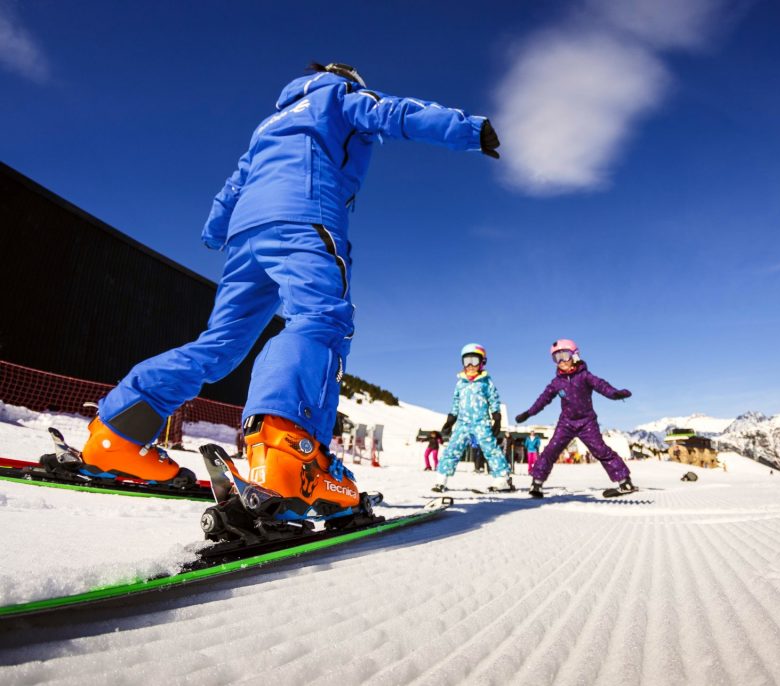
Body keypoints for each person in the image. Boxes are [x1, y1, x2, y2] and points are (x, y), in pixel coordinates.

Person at [79, 62, 501, 525]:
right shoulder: (339, 97)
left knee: (219, 345)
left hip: (245, 236)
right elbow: (396, 113)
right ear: (347, 77)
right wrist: (470, 130)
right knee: (321, 319)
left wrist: (215, 229)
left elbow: (234, 185)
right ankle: (289, 457)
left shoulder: (269, 123)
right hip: (305, 217)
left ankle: (117, 433)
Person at [514, 339, 635, 497]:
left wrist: (615, 394)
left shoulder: (584, 376)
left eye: (565, 355)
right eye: (557, 358)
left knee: (600, 450)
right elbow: (543, 400)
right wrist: (529, 413)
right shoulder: (557, 383)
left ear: (575, 355)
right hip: (566, 423)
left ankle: (624, 482)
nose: (562, 361)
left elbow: (601, 385)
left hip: (587, 422)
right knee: (551, 450)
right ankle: (536, 484)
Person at [433, 344, 513, 492]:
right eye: (466, 361)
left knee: (490, 449)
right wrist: (451, 418)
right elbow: (456, 401)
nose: (470, 365)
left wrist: (497, 416)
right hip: (463, 422)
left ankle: (502, 478)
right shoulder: (460, 383)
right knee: (452, 448)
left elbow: (493, 399)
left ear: (482, 362)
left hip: (481, 422)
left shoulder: (486, 382)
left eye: (474, 361)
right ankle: (441, 479)